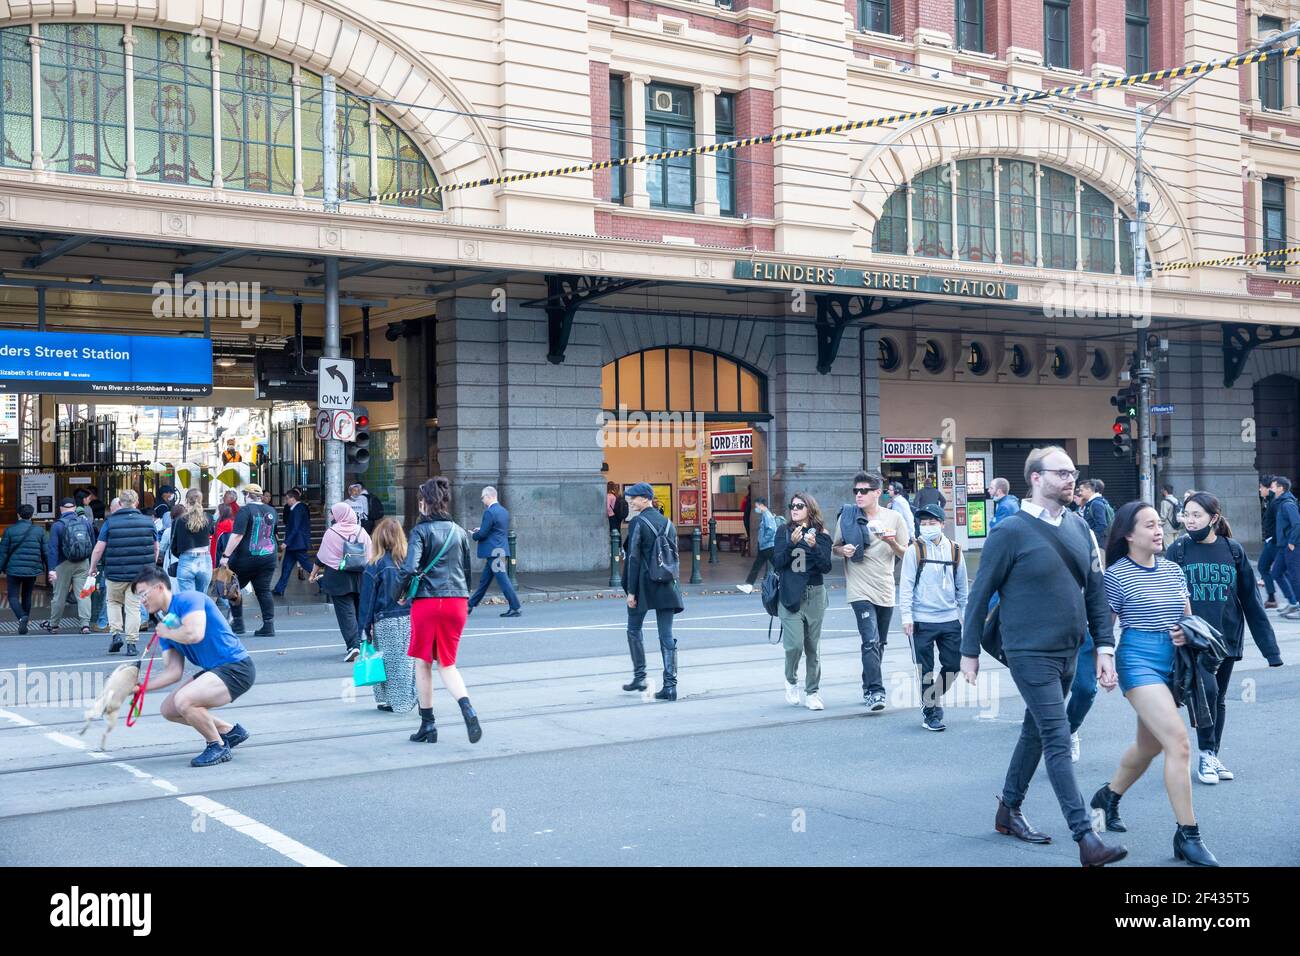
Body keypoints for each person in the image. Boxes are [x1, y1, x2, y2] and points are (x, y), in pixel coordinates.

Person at [961, 446, 1126, 866]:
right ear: (1035, 478)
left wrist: (1104, 647)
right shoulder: (1009, 531)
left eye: (1073, 473)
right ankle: (1086, 838)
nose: (1071, 479)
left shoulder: (1078, 526)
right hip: (1028, 651)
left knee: (1035, 732)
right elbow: (980, 593)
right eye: (1061, 473)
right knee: (1057, 737)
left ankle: (1008, 809)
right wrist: (968, 651)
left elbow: (1095, 591)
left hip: (1070, 649)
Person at [1090, 501, 1217, 867]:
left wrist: (1184, 632)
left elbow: (1189, 620)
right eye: (1149, 525)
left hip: (1171, 664)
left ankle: (1107, 797)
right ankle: (1188, 835)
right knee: (1178, 743)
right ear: (1129, 534)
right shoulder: (1115, 575)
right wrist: (1105, 662)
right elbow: (1104, 626)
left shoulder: (1174, 570)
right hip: (1138, 659)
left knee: (1149, 747)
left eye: (1159, 524)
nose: (1158, 530)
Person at [1165, 493, 1282, 785]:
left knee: (1218, 698)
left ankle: (1212, 754)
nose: (1190, 521)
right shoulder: (1178, 550)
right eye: (1187, 515)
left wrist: (1271, 651)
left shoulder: (1233, 550)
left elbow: (1251, 601)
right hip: (1194, 639)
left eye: (1196, 516)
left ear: (1213, 519)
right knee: (1208, 691)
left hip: (1227, 637)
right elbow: (1165, 595)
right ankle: (1206, 755)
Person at [131, 567, 255, 767]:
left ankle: (217, 745)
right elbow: (173, 672)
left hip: (236, 668)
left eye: (144, 594)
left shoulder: (189, 599)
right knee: (169, 709)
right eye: (139, 597)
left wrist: (167, 633)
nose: (142, 601)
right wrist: (140, 688)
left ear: (160, 587)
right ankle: (229, 732)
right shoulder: (167, 622)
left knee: (184, 700)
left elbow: (194, 634)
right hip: (215, 670)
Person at [397, 476, 482, 745]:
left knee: (423, 662)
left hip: (428, 601)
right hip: (457, 601)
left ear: (425, 503)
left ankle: (428, 724)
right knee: (448, 663)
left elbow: (410, 568)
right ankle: (466, 707)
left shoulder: (420, 531)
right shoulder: (458, 531)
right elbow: (467, 572)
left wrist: (398, 595)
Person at [833, 471, 911, 713]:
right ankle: (876, 692)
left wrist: (890, 542)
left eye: (863, 491)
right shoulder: (847, 516)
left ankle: (868, 684)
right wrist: (842, 550)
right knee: (869, 641)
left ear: (877, 492)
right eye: (856, 491)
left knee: (880, 643)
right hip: (859, 588)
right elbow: (834, 547)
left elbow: (906, 555)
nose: (858, 495)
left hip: (885, 587)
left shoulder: (895, 518)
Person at [900, 503, 968, 731]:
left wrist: (966, 618)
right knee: (925, 669)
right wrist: (906, 616)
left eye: (932, 523)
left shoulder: (956, 550)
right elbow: (906, 586)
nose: (927, 527)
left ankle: (932, 696)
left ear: (942, 524)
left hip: (949, 618)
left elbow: (962, 590)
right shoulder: (914, 550)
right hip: (921, 620)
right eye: (923, 523)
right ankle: (930, 712)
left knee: (953, 664)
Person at [620, 482, 684, 701]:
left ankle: (640, 676)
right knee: (666, 635)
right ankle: (670, 686)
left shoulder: (638, 522)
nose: (630, 500)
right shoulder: (668, 523)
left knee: (633, 628)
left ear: (645, 498)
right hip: (667, 583)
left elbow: (634, 559)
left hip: (643, 586)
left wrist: (630, 591)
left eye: (633, 497)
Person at [773, 492, 833, 710]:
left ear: (810, 509)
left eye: (799, 505)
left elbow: (826, 567)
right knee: (794, 646)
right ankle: (790, 679)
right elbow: (778, 562)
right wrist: (791, 544)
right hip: (790, 595)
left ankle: (812, 692)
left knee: (812, 648)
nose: (794, 509)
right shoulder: (784, 531)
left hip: (815, 595)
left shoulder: (822, 534)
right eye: (792, 505)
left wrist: (815, 546)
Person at [86, 490, 157, 656]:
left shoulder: (110, 522)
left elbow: (98, 549)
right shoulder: (148, 522)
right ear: (137, 502)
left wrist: (93, 567)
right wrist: (150, 565)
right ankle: (131, 644)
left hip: (115, 572)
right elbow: (155, 547)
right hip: (140, 574)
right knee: (133, 607)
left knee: (113, 603)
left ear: (120, 503)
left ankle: (116, 634)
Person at [358, 517, 416, 714]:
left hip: (386, 619)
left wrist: (364, 630)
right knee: (406, 661)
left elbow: (367, 602)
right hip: (410, 617)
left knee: (387, 661)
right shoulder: (408, 563)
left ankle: (396, 702)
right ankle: (408, 697)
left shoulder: (375, 565)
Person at [312, 501, 373, 662]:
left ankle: (353, 646)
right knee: (361, 610)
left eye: (332, 513)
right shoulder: (361, 531)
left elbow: (321, 557)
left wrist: (313, 574)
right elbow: (371, 554)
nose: (331, 516)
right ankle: (362, 642)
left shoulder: (331, 532)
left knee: (346, 613)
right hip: (361, 576)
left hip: (338, 578)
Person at [216, 484, 278, 637]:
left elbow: (237, 535)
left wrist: (225, 556)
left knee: (233, 589)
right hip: (268, 556)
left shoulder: (245, 510)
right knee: (263, 590)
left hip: (246, 558)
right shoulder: (271, 510)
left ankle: (238, 623)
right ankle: (268, 625)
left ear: (247, 495)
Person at [467, 486, 521, 618]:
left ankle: (515, 607)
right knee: (484, 582)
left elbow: (484, 533)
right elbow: (496, 529)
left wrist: (474, 535)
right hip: (500, 550)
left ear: (489, 496)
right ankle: (469, 606)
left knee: (503, 580)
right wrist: (482, 529)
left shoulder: (489, 512)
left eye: (482, 497)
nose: (482, 500)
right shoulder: (503, 511)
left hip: (494, 551)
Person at [43, 498, 95, 634]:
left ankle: (54, 625)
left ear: (61, 509)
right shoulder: (85, 522)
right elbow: (92, 544)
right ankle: (85, 625)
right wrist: (92, 564)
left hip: (62, 563)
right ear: (75, 508)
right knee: (84, 594)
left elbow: (53, 549)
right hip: (83, 563)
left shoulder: (57, 525)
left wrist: (52, 570)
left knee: (59, 595)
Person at [0, 504, 46, 634]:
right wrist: (51, 569)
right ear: (32, 515)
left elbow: (2, 553)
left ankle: (22, 617)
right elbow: (45, 551)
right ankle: (25, 621)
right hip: (32, 568)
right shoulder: (39, 531)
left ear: (18, 515)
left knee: (13, 596)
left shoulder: (10, 531)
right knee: (27, 595)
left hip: (13, 570)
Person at [170, 489, 214, 597]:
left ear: (186, 501)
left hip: (186, 559)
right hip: (204, 559)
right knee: (202, 597)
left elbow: (173, 545)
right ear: (201, 500)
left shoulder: (179, 520)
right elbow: (212, 533)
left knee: (189, 599)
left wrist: (181, 555)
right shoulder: (209, 518)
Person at [1257, 476, 1292, 610]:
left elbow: (1283, 522)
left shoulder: (1277, 502)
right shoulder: (1271, 501)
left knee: (1282, 572)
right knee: (1267, 568)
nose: (1260, 490)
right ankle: (1275, 599)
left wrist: (1275, 539)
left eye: (1262, 487)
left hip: (1275, 542)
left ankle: (1292, 601)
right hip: (1272, 541)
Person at [273, 488, 313, 596]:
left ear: (293, 498)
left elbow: (295, 528)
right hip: (295, 544)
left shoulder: (298, 509)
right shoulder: (298, 508)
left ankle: (323, 583)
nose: (286, 501)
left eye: (287, 499)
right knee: (286, 567)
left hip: (297, 544)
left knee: (308, 566)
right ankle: (279, 589)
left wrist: (286, 542)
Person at [1270, 476, 1300, 618]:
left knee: (1295, 576)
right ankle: (1293, 604)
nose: (1271, 488)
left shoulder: (1288, 504)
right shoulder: (1281, 503)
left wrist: (1292, 542)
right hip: (1283, 547)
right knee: (1276, 572)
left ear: (1281, 488)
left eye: (1273, 486)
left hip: (1291, 546)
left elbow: (1297, 524)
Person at [737, 497, 778, 593]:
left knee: (776, 565)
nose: (756, 508)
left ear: (762, 505)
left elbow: (771, 530)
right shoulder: (765, 515)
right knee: (758, 565)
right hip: (766, 546)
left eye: (757, 506)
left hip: (767, 546)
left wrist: (763, 540)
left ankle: (749, 585)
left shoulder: (767, 515)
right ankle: (749, 585)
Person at [1078, 478, 1113, 545]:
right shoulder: (1095, 502)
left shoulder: (1096, 504)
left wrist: (1091, 538)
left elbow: (1102, 525)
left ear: (1089, 490)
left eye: (1081, 490)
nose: (1080, 493)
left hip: (1099, 544)